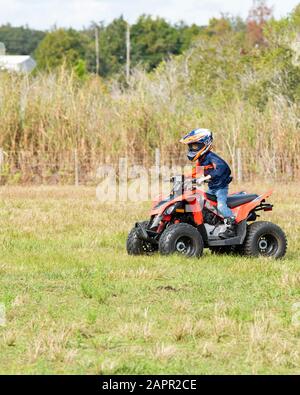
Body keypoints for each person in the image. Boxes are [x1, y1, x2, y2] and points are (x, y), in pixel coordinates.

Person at [180, 128, 236, 238]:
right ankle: (214, 225)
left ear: (204, 144)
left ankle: (232, 226)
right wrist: (182, 177)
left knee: (220, 206)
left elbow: (223, 169)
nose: (193, 148)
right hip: (212, 188)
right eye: (191, 146)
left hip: (220, 189)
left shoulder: (212, 157)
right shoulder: (202, 159)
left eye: (195, 146)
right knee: (204, 204)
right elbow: (195, 172)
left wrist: (206, 177)